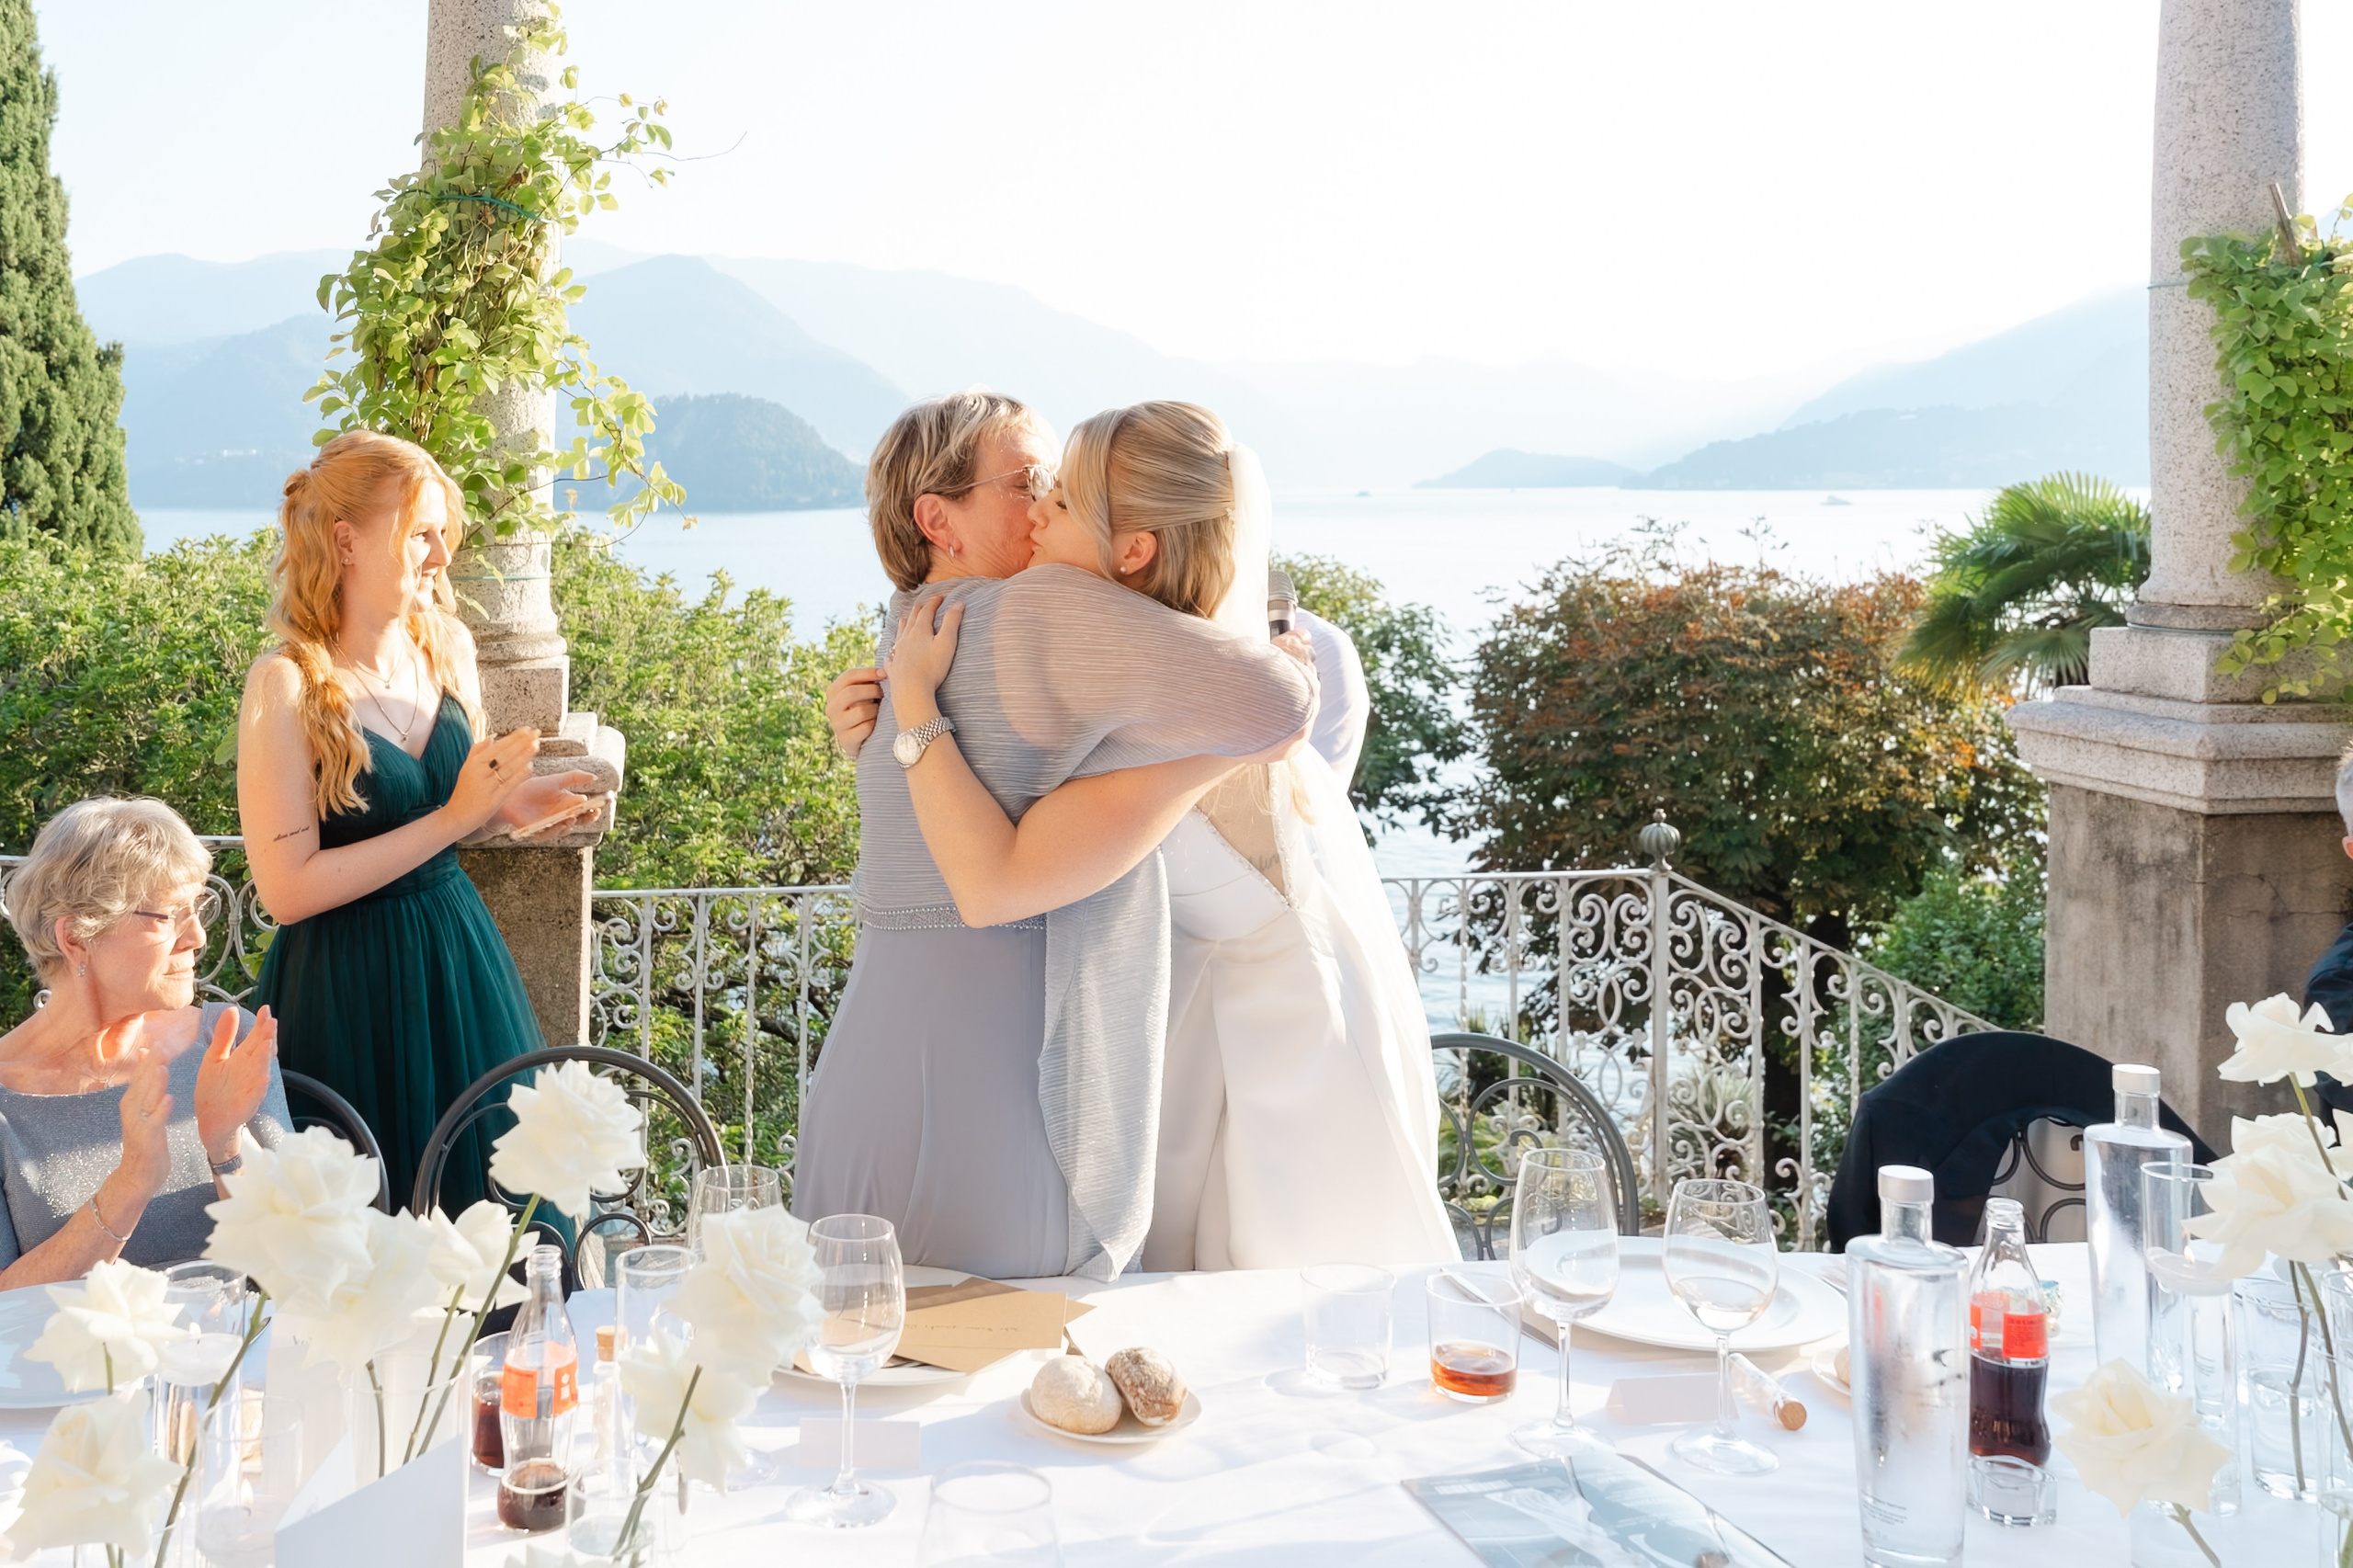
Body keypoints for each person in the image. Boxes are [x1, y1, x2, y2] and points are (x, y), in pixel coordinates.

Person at [879, 402, 1458, 1270]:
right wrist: (881, 717)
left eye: (1058, 501)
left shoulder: (1184, 678)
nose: (1037, 516)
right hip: (1176, 1034)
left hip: (1290, 1055)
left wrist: (913, 712)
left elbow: (1289, 701)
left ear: (1135, 550)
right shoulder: (1120, 656)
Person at [792, 391, 1317, 1280]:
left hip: (865, 1071)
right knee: (1019, 1349)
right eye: (1030, 481)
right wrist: (1232, 730)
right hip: (1001, 1085)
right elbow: (1280, 705)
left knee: (857, 1344)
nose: (1045, 506)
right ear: (937, 520)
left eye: (1059, 488)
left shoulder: (905, 639)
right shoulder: (1041, 611)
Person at [236, 430, 601, 1211]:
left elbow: (450, 808)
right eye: (420, 534)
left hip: (457, 961)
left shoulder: (447, 648)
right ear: (346, 543)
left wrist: (507, 805)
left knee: (497, 1208)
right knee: (361, 1227)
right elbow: (286, 891)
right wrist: (454, 819)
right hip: (344, 987)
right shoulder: (286, 684)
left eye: (443, 532)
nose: (442, 554)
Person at [0, 798, 292, 1286]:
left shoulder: (223, 1039)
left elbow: (299, 1256)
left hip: (232, 1332)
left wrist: (226, 1147)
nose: (196, 937)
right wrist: (129, 1184)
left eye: (197, 909)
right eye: (168, 916)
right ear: (76, 938)